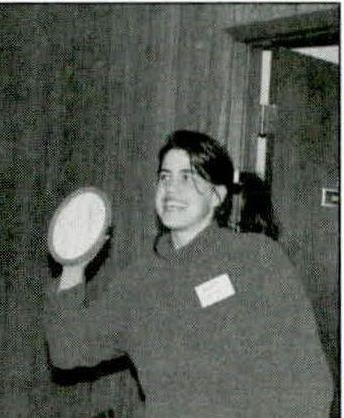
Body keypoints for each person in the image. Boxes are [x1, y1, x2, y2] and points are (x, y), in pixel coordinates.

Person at [44, 130, 332, 417]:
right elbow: (67, 350)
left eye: (187, 177)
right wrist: (74, 262)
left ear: (217, 195)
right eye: (165, 177)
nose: (171, 188)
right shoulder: (139, 281)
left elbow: (309, 381)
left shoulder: (257, 258)